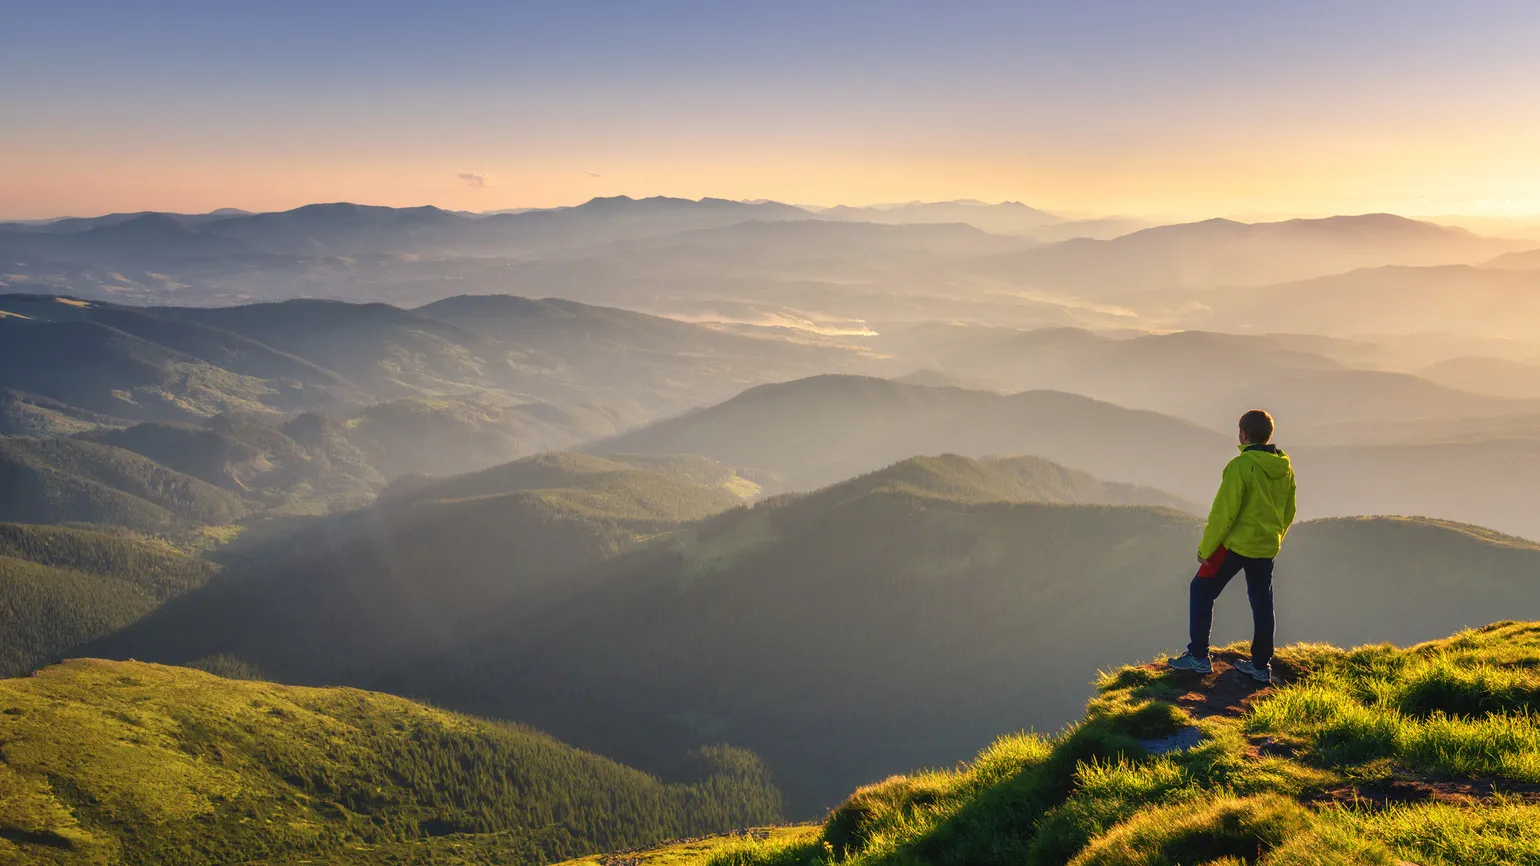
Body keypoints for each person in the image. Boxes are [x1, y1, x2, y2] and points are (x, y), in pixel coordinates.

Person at [1167, 409, 1297, 683]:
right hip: (1266, 547)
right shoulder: (1285, 468)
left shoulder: (1241, 466)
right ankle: (1261, 666)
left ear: (1243, 434)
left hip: (1236, 545)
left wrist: (1206, 549)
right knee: (1262, 603)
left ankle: (1199, 657)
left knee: (1201, 590)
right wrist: (1275, 538)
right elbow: (1289, 510)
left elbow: (1224, 513)